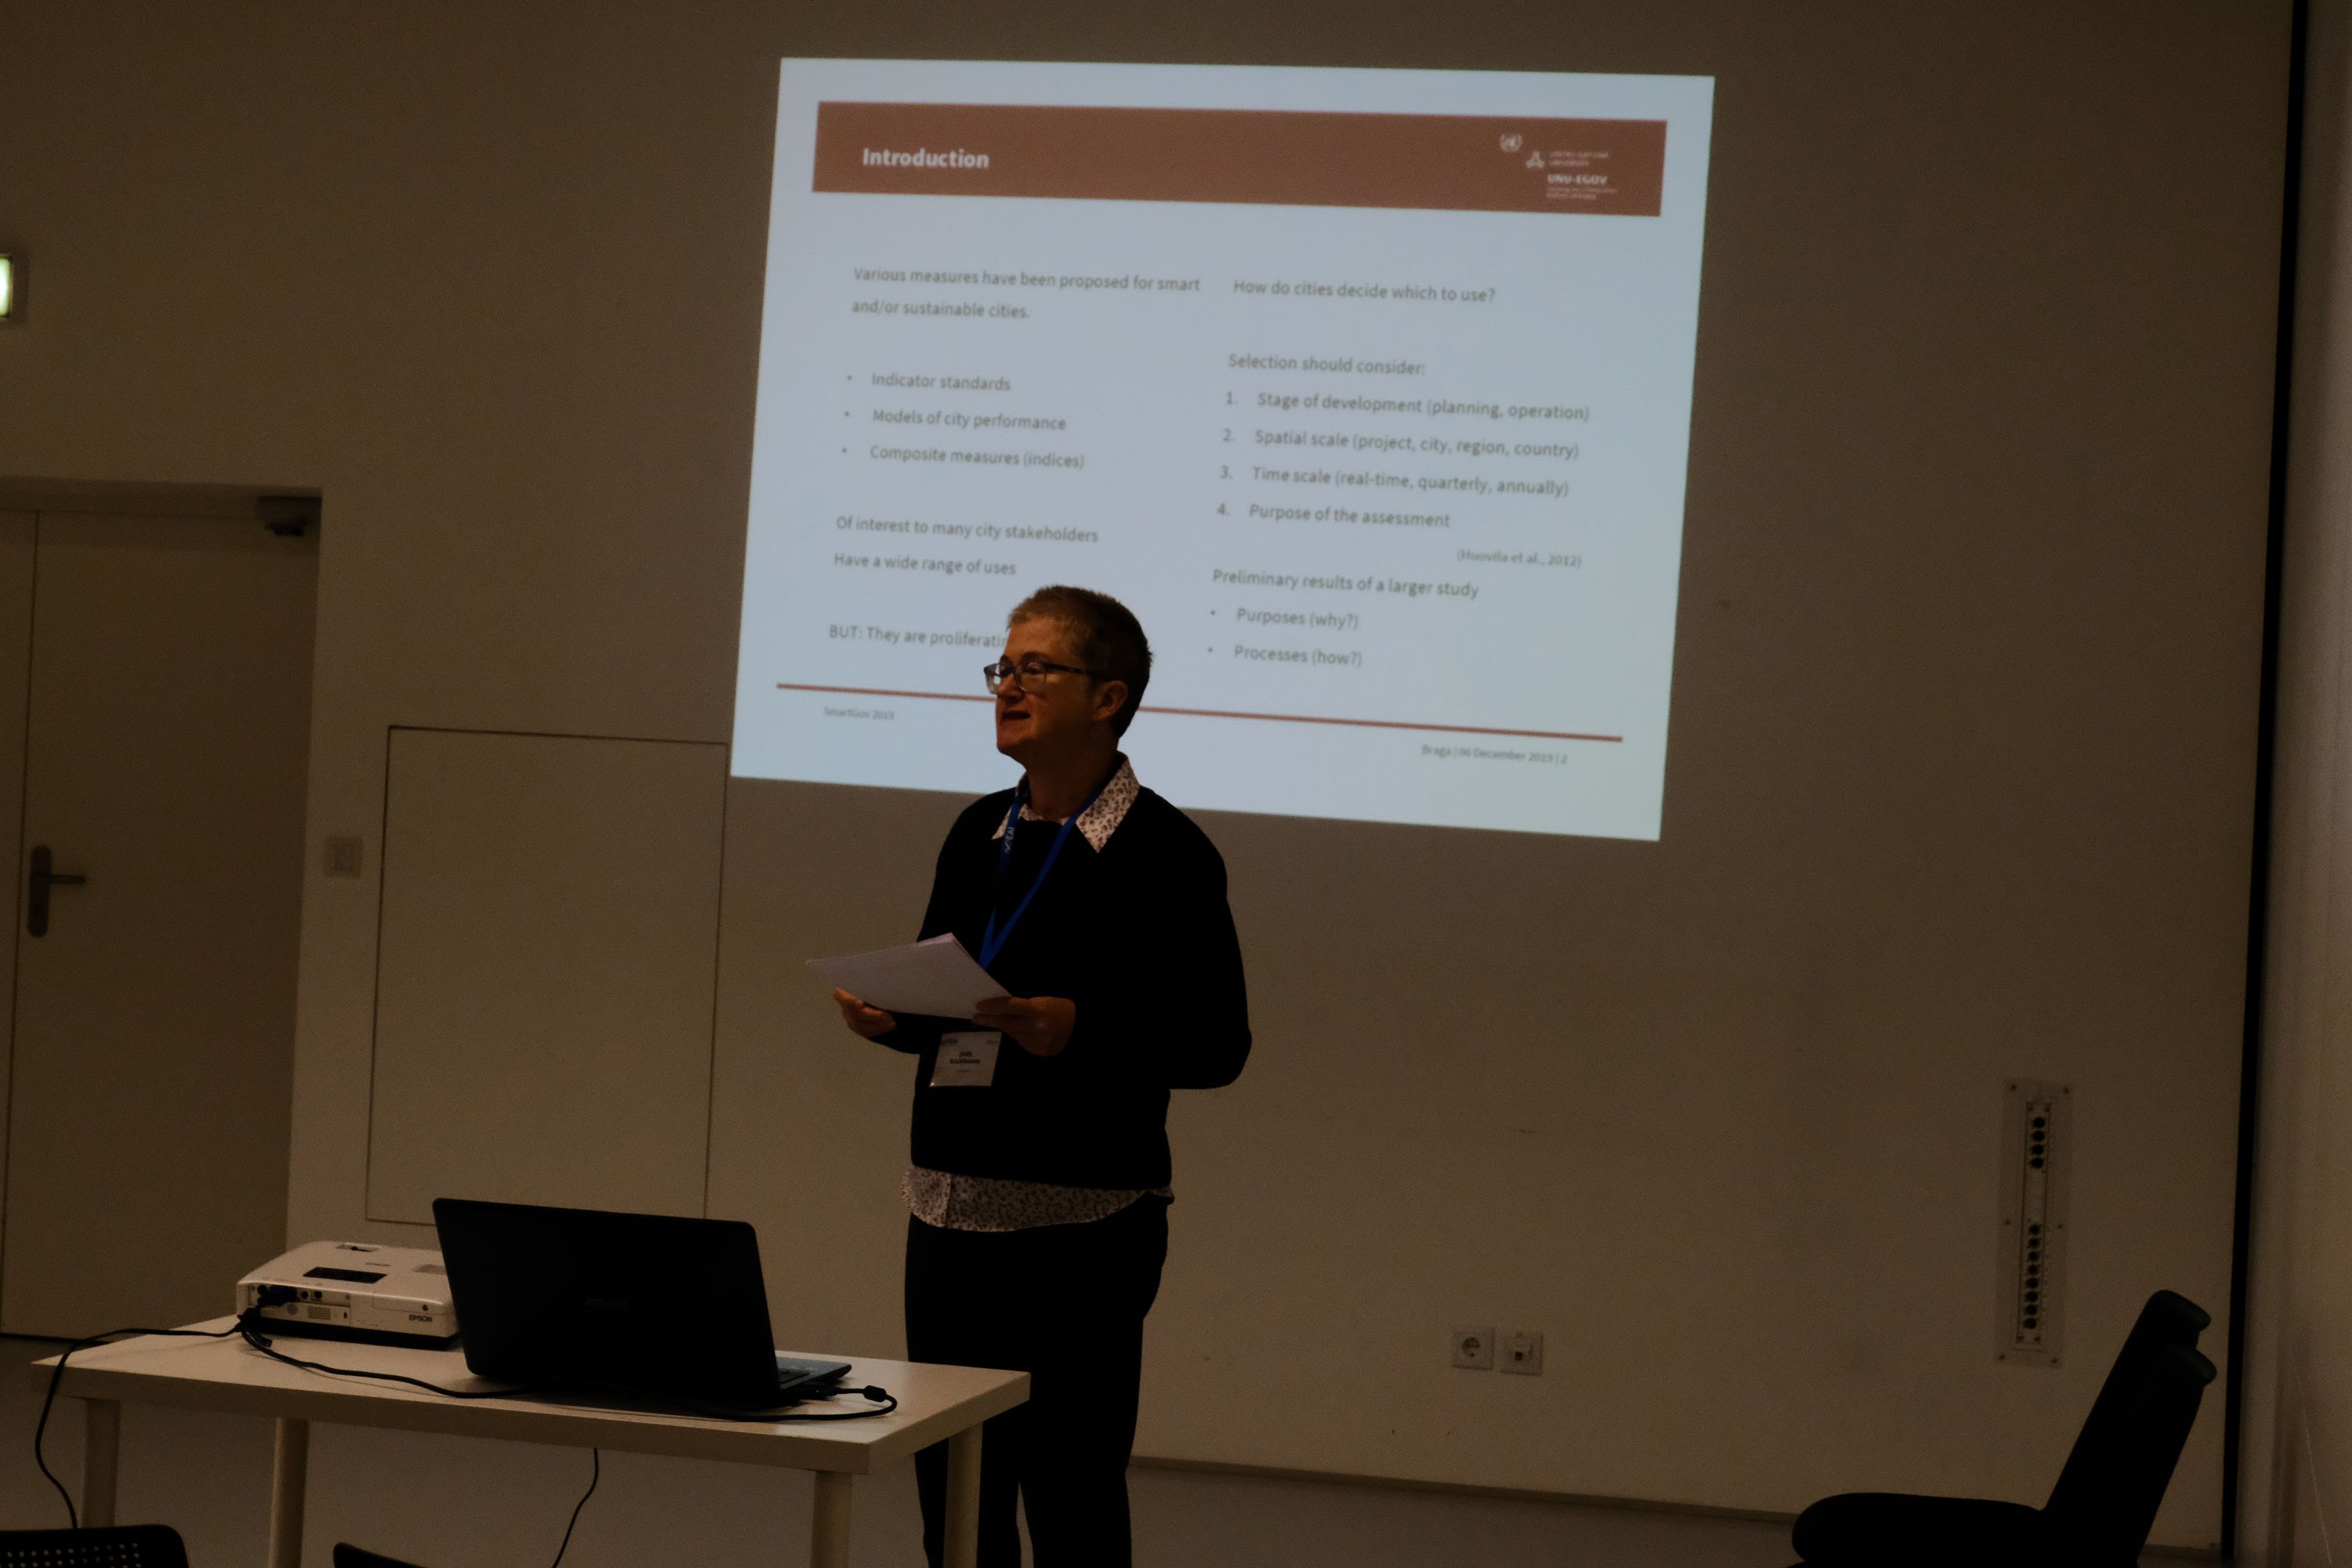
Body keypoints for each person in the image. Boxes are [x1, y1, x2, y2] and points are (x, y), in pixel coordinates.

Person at [833, 585, 1251, 1567]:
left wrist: (1079, 1030)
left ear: (1108, 698)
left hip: (1079, 1225)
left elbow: (1217, 1044)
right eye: (1002, 667)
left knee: (1070, 1492)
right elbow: (956, 1008)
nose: (1006, 686)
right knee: (954, 1496)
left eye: (1035, 668)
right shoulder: (981, 830)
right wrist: (894, 1020)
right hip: (945, 1206)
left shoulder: (1169, 854)